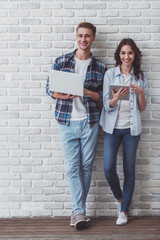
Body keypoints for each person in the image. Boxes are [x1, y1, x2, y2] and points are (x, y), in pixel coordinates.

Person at [46, 22, 106, 229]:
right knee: (73, 168)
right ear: (76, 36)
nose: (83, 39)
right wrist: (60, 94)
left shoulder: (99, 66)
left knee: (86, 168)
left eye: (87, 36)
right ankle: (79, 211)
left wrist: (85, 91)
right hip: (66, 121)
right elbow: (49, 89)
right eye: (80, 35)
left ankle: (77, 211)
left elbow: (102, 98)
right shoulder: (61, 61)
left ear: (93, 38)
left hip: (89, 122)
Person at [100, 38, 148, 225]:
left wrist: (140, 93)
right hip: (112, 128)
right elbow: (106, 104)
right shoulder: (110, 74)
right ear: (118, 55)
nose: (126, 56)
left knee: (129, 170)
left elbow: (142, 108)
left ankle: (124, 210)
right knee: (108, 167)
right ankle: (119, 198)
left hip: (131, 129)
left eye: (130, 53)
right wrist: (116, 98)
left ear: (134, 55)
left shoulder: (140, 77)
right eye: (123, 53)